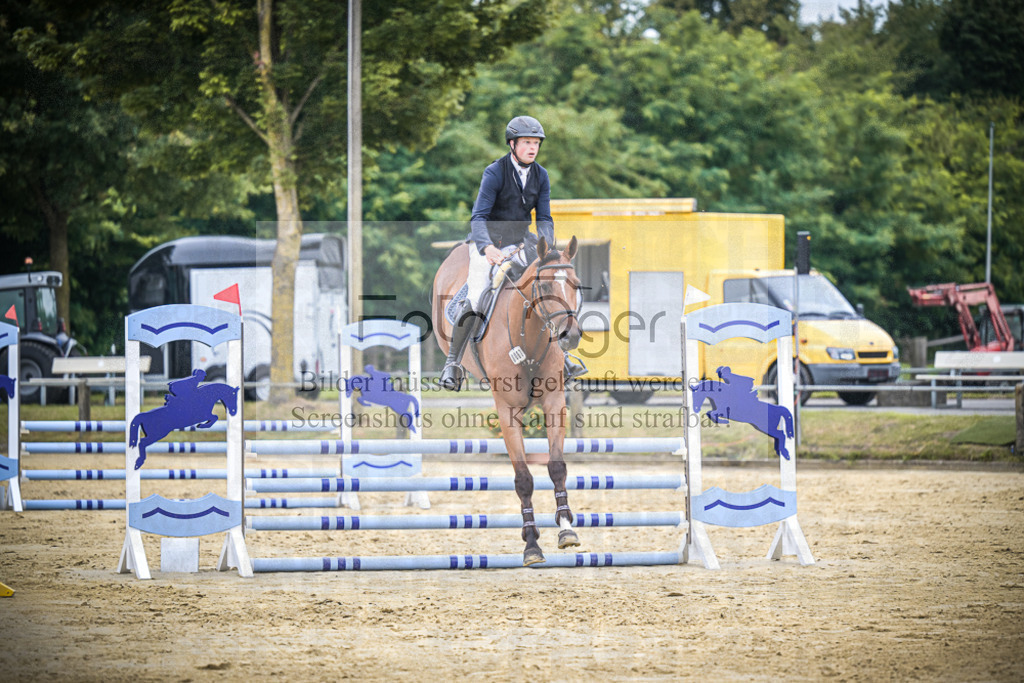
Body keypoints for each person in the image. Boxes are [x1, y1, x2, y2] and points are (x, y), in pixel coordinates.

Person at [439, 115, 585, 391]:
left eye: (536, 143)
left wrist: (545, 247)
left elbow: (544, 218)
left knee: (548, 288)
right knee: (476, 294)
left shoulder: (541, 175)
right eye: (527, 143)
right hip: (487, 244)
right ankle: (452, 363)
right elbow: (478, 216)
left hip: (522, 244)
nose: (532, 148)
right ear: (512, 144)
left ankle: (563, 356)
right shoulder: (494, 172)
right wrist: (488, 248)